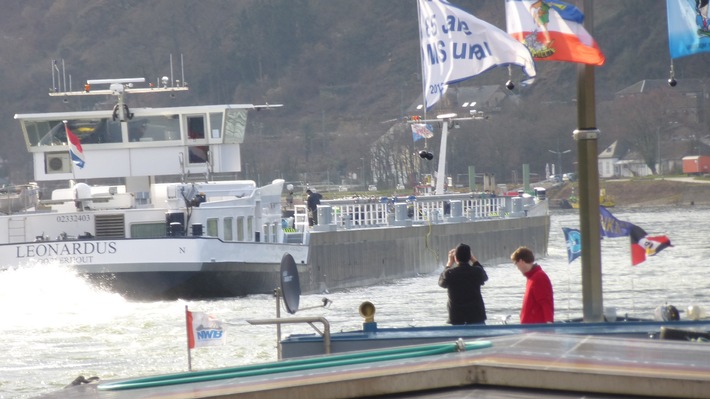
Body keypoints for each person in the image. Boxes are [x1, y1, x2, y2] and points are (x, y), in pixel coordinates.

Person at [438, 243, 488, 325]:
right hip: (476, 316)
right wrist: (474, 260)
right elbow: (485, 277)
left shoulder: (450, 273)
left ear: (455, 258)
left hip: (456, 317)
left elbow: (441, 283)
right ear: (469, 258)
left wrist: (449, 264)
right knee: (480, 337)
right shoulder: (477, 271)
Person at [511, 246, 554, 324]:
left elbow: (546, 302)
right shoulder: (532, 278)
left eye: (515, 263)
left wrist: (549, 324)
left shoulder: (539, 277)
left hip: (536, 330)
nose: (517, 267)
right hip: (530, 328)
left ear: (521, 261)